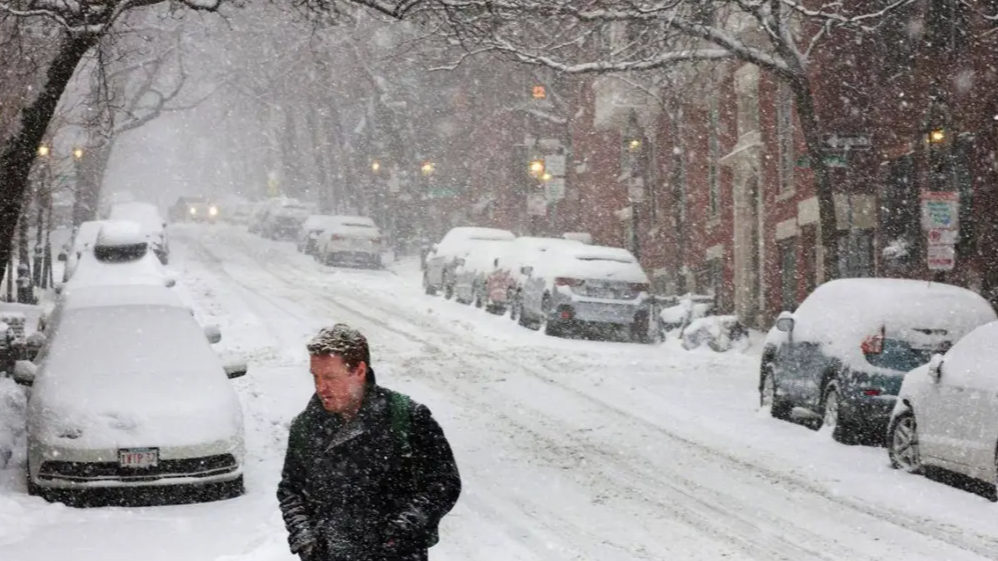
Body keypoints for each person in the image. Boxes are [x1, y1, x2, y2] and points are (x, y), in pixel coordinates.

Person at [278, 324, 461, 561]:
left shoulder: (407, 418)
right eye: (316, 377)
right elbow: (291, 489)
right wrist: (305, 539)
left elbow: (443, 483)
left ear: (360, 371)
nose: (321, 388)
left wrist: (402, 531)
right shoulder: (307, 426)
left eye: (331, 377)